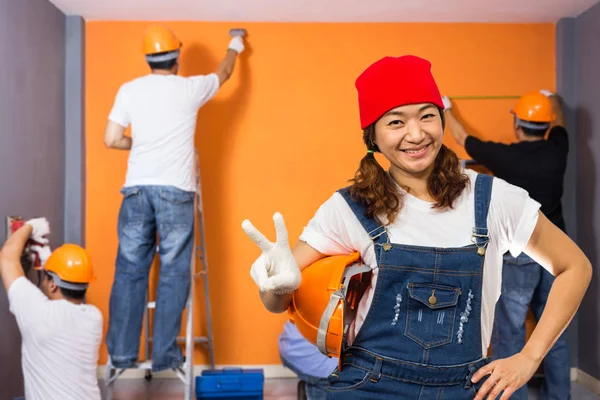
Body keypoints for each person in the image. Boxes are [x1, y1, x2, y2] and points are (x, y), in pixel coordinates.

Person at [241, 55, 591, 399]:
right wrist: (274, 286)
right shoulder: (349, 208)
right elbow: (276, 302)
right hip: (367, 388)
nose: (416, 133)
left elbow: (575, 267)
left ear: (441, 119)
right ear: (373, 137)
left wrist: (529, 358)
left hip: (464, 387)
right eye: (395, 122)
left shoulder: (494, 199)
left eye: (427, 116)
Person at [103, 25, 246, 372]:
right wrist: (235, 43)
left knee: (128, 273)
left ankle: (121, 355)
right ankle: (165, 355)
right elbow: (225, 73)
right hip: (176, 191)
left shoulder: (130, 90)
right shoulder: (190, 88)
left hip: (136, 190)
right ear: (177, 57)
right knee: (173, 273)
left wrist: (140, 145)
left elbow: (111, 139)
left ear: (148, 58)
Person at [443, 91, 571, 399]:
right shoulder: (559, 149)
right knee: (554, 332)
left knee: (511, 335)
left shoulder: (506, 157)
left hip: (520, 256)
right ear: (547, 126)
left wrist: (445, 107)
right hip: (558, 255)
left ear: (517, 124)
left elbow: (461, 137)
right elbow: (560, 122)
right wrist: (552, 99)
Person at [0, 218, 102, 400]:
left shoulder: (39, 313)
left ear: (53, 286)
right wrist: (50, 263)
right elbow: (67, 285)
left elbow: (7, 257)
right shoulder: (94, 317)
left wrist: (30, 227)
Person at [279, 321, 338, 399]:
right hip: (307, 352)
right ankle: (315, 386)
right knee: (332, 376)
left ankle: (311, 385)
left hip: (290, 343)